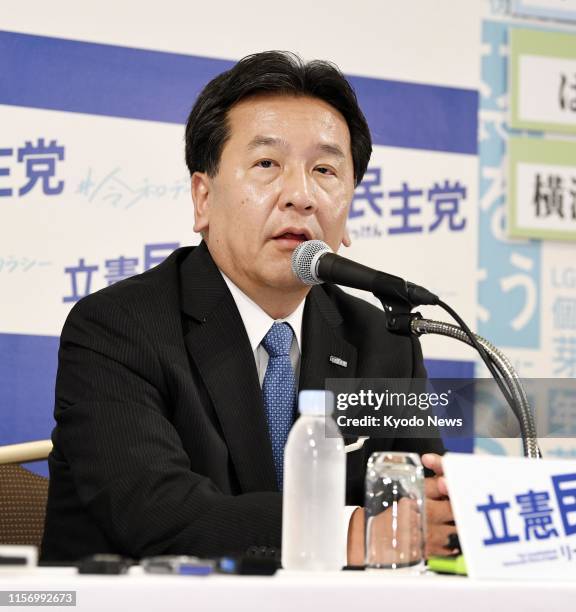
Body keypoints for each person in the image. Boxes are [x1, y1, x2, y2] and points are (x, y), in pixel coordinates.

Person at [41, 51, 456, 563]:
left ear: (348, 207)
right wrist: (346, 531)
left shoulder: (384, 340)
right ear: (203, 198)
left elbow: (418, 509)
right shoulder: (118, 327)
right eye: (267, 164)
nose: (301, 196)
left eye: (325, 169)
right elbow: (157, 514)